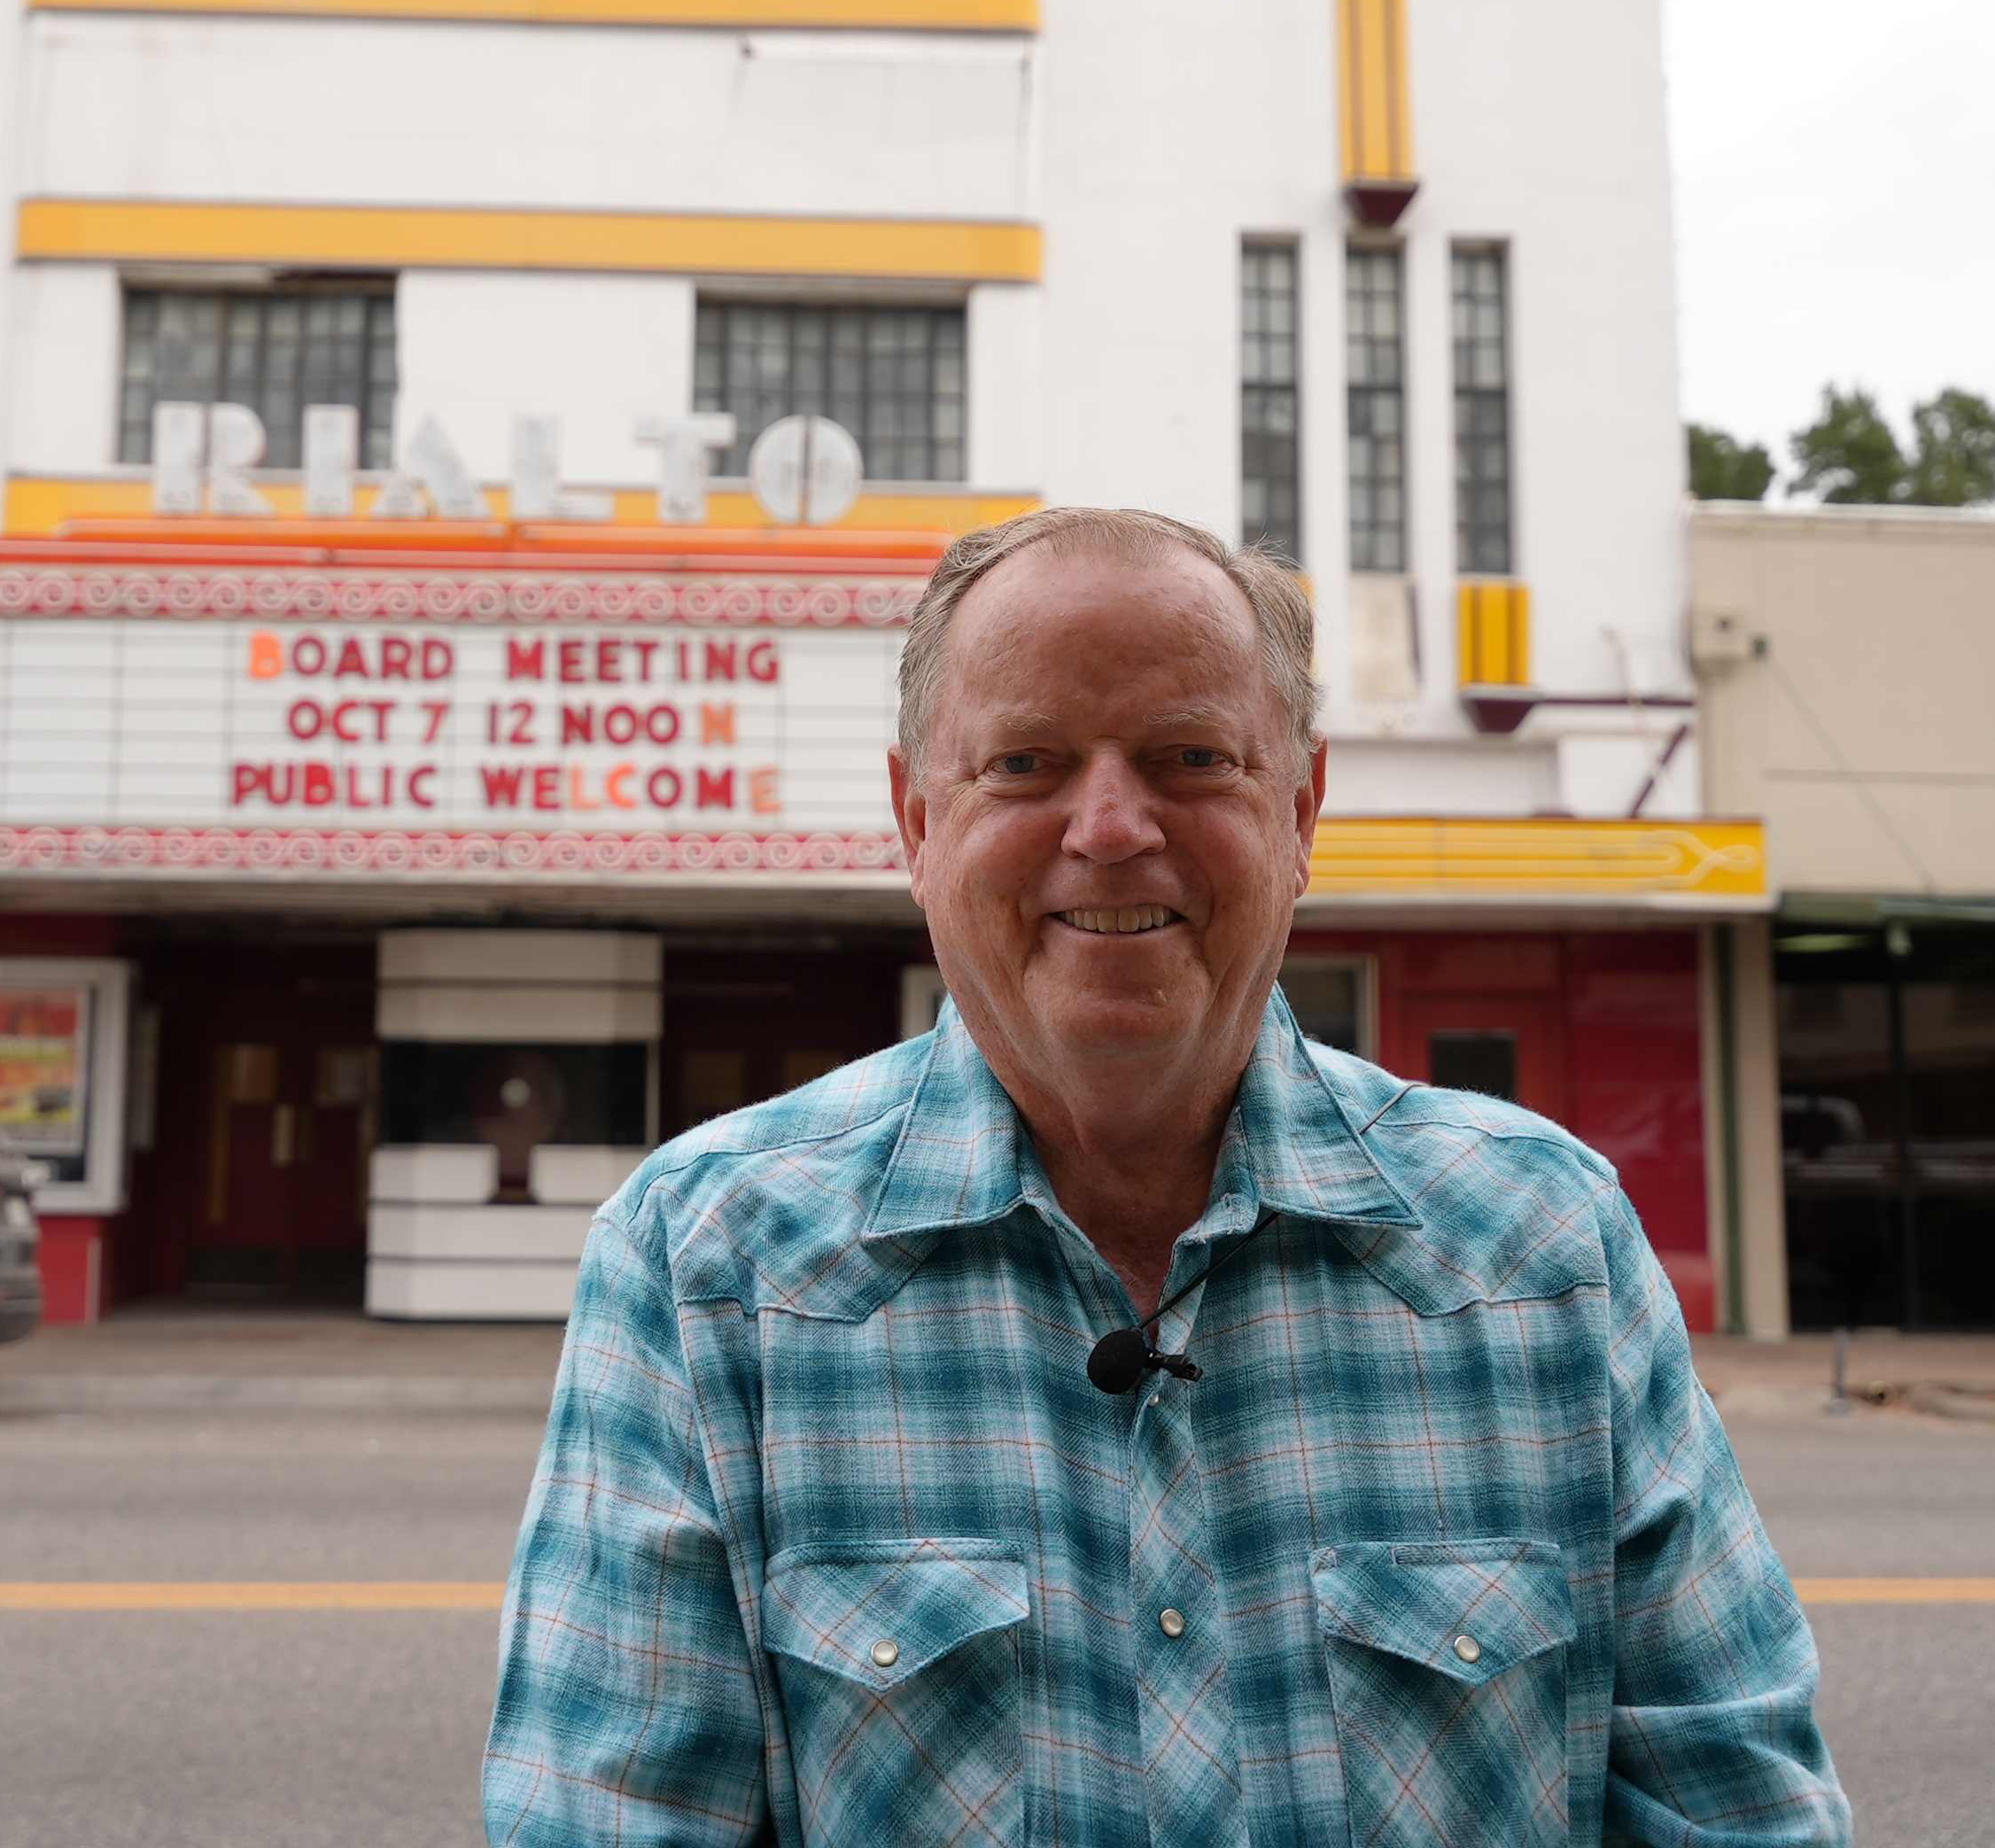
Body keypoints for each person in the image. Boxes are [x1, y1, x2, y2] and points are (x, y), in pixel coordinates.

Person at [484, 507, 1848, 1844]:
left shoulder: (1547, 1241)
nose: (1113, 826)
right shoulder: (705, 1260)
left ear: (1302, 808)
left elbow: (1738, 1809)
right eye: (1024, 764)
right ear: (915, 820)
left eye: (1191, 757)